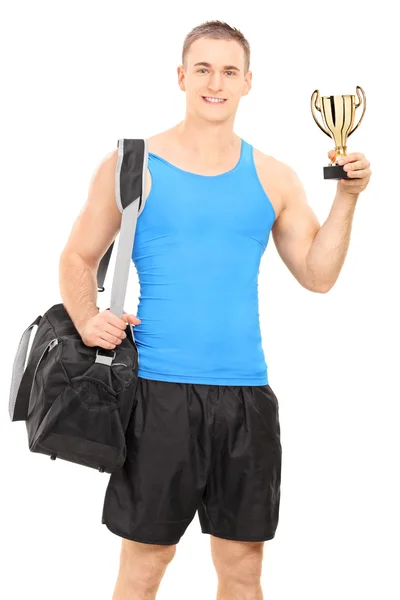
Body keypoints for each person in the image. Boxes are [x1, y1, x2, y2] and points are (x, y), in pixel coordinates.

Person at [58, 19, 372, 600]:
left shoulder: (275, 177)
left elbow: (318, 275)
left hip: (246, 398)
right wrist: (84, 319)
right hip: (158, 394)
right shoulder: (134, 164)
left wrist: (346, 198)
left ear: (248, 82)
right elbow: (77, 257)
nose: (215, 82)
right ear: (182, 76)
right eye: (203, 68)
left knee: (243, 571)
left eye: (229, 71)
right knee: (145, 567)